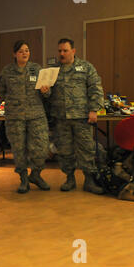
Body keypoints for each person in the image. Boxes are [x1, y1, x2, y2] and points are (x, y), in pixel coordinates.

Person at [43, 38, 104, 194]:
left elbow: (95, 88)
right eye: (59, 51)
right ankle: (69, 179)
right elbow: (48, 95)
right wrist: (45, 91)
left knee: (86, 149)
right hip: (60, 117)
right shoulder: (53, 70)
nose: (61, 54)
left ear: (73, 51)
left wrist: (94, 110)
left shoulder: (86, 68)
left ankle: (89, 181)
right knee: (64, 150)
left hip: (81, 117)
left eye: (65, 50)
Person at [0, 40, 50, 193]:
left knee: (41, 148)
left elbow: (47, 94)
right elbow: (0, 92)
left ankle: (36, 174)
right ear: (14, 54)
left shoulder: (36, 69)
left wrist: (46, 91)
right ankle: (23, 179)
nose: (25, 53)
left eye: (27, 50)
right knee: (19, 150)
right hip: (15, 117)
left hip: (36, 115)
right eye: (21, 51)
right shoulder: (7, 71)